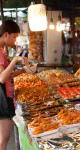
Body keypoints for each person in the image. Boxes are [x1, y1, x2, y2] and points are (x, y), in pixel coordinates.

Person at [0, 20, 29, 150]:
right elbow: (1, 78)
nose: (15, 40)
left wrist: (23, 70)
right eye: (14, 36)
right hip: (3, 99)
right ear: (6, 34)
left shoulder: (2, 50)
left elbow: (8, 76)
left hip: (7, 96)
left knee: (4, 137)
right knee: (4, 138)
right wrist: (16, 59)